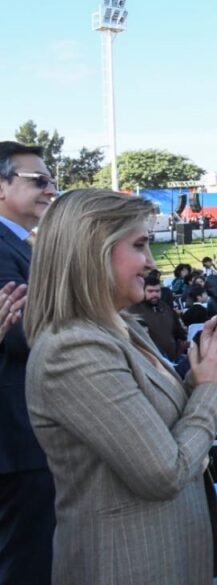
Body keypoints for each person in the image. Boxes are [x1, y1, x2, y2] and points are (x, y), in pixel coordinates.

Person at [22, 188, 217, 584]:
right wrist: (212, 389)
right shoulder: (73, 349)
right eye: (139, 245)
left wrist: (205, 374)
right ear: (92, 251)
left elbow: (147, 418)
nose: (149, 262)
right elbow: (164, 472)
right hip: (128, 565)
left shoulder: (119, 328)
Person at [0, 140, 58, 584]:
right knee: (26, 564)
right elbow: (21, 333)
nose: (49, 188)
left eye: (51, 179)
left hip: (29, 437)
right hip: (16, 441)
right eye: (37, 180)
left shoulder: (24, 247)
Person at [128, 273, 188, 361]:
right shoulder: (133, 311)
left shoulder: (165, 307)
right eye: (150, 291)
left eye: (157, 291)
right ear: (142, 290)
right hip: (152, 361)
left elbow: (178, 331)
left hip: (174, 358)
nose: (155, 294)